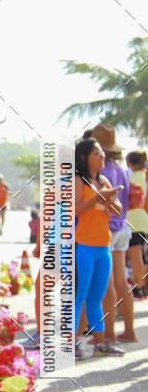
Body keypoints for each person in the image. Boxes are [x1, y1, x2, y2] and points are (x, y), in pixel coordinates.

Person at [74, 138, 124, 359]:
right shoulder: (78, 181)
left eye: (103, 153)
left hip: (103, 247)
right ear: (84, 157)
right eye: (97, 153)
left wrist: (111, 199)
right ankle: (71, 345)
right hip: (83, 246)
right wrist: (98, 197)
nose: (103, 156)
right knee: (79, 297)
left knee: (96, 298)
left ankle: (101, 343)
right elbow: (74, 209)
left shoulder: (103, 180)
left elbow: (118, 210)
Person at [91, 124, 136, 344]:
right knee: (122, 281)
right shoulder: (121, 168)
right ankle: (129, 330)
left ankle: (108, 334)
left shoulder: (102, 172)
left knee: (106, 284)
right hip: (123, 228)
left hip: (106, 231)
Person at [125, 150, 148, 298]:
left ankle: (139, 287)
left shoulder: (128, 178)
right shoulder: (146, 177)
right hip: (144, 217)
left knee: (135, 255)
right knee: (143, 255)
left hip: (131, 218)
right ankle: (143, 286)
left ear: (129, 163)